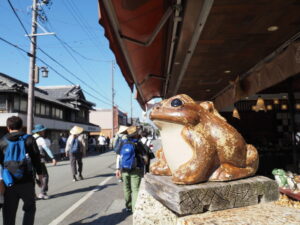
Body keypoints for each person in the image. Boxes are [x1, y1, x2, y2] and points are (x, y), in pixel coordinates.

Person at [0, 116, 43, 225]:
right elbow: (36, 159)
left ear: (8, 127)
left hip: (9, 182)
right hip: (27, 181)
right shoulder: (29, 139)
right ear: (21, 127)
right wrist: (40, 176)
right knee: (30, 208)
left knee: (9, 212)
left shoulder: (2, 141)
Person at [115, 126, 148, 212]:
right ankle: (135, 209)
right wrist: (144, 162)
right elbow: (145, 158)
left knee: (126, 188)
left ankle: (128, 206)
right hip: (136, 170)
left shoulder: (122, 143)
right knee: (135, 189)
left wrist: (118, 169)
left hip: (124, 169)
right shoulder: (138, 143)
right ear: (136, 134)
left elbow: (118, 156)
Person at [32, 124, 57, 200]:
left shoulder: (31, 137)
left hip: (30, 160)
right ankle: (43, 193)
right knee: (45, 176)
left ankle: (33, 195)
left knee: (32, 177)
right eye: (43, 130)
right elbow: (46, 149)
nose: (44, 131)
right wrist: (53, 158)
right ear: (40, 131)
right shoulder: (41, 139)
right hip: (39, 160)